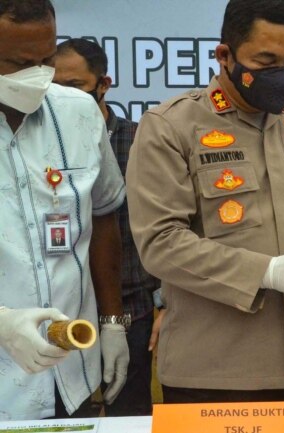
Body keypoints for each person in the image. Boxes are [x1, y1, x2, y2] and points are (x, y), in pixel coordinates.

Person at [126, 0, 284, 405]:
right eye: (266, 61)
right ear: (224, 56)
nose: (282, 74)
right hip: (214, 375)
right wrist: (266, 271)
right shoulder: (171, 127)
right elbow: (160, 243)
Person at [0, 0, 129, 420]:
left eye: (46, 59)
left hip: (69, 371)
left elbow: (103, 215)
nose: (38, 75)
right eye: (21, 63)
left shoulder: (78, 112)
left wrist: (112, 322)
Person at [53, 38, 159, 416]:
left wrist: (166, 304)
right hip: (64, 316)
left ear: (104, 84)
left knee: (128, 418)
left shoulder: (141, 140)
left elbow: (171, 226)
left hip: (132, 311)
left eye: (74, 86)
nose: (60, 96)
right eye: (53, 85)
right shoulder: (45, 143)